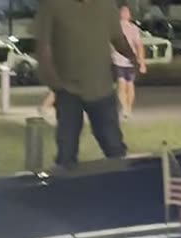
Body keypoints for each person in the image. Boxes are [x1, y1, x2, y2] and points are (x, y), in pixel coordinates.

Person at [33, 0, 137, 168]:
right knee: (66, 149)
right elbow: (43, 45)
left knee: (113, 145)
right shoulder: (52, 5)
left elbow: (117, 37)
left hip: (101, 87)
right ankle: (66, 189)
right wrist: (51, 79)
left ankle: (122, 185)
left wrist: (132, 57)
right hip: (67, 89)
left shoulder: (105, 5)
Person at [111, 4, 147, 119]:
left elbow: (139, 45)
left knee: (130, 85)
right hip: (118, 60)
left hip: (131, 61)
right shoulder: (115, 28)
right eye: (122, 12)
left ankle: (129, 107)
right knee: (121, 84)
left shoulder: (133, 28)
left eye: (127, 12)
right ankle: (125, 108)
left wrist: (141, 62)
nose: (125, 14)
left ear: (130, 15)